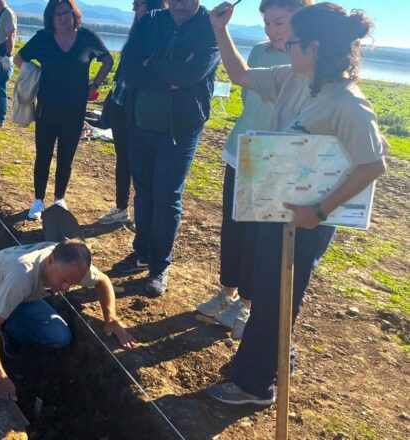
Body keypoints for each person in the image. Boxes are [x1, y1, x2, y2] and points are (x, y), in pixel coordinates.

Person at [207, 2, 386, 405]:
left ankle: (256, 384)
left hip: (308, 221)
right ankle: (268, 360)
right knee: (271, 289)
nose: (286, 45)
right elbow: (237, 74)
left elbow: (372, 164)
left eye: (295, 41)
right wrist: (220, 30)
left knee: (278, 294)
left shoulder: (349, 104)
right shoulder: (292, 79)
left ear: (317, 47)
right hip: (280, 210)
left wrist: (319, 211)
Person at [196, 0, 311, 340]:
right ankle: (227, 293)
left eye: (280, 22)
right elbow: (245, 89)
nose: (271, 30)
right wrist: (221, 29)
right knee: (233, 230)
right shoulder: (260, 52)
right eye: (267, 22)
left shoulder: (306, 63)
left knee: (259, 240)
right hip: (241, 152)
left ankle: (246, 303)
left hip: (275, 166)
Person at [112, 0, 221, 298]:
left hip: (180, 131)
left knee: (167, 198)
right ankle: (142, 254)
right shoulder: (150, 21)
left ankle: (160, 265)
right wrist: (168, 77)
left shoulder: (210, 26)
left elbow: (191, 75)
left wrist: (152, 64)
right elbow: (128, 67)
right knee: (143, 193)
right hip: (140, 123)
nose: (180, 4)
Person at [0, 239, 136, 399]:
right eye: (64, 281)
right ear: (51, 259)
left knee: (59, 336)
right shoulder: (21, 275)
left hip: (21, 298)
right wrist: (0, 378)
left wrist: (110, 317)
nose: (66, 289)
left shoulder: (74, 266)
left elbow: (103, 281)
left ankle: (7, 326)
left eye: (72, 284)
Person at [14, 0, 113, 220]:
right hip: (47, 108)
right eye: (57, 14)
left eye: (66, 13)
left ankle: (59, 199)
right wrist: (36, 74)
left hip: (75, 109)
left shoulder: (86, 37)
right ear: (51, 17)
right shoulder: (43, 39)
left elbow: (108, 60)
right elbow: (19, 59)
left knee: (66, 158)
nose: (62, 18)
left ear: (74, 14)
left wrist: (94, 86)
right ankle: (38, 201)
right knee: (43, 155)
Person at [97, 0, 168, 227]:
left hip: (139, 109)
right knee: (123, 160)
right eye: (134, 4)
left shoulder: (161, 35)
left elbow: (146, 72)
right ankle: (121, 208)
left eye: (138, 4)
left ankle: (141, 214)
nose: (134, 9)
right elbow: (128, 69)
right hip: (120, 104)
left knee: (141, 164)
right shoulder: (137, 32)